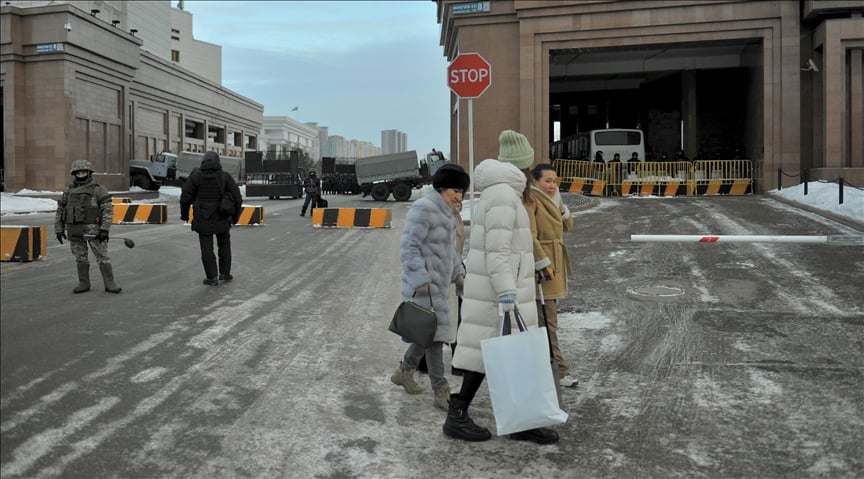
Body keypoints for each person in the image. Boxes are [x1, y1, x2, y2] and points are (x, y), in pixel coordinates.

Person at [445, 130, 559, 444]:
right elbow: (497, 250)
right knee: (493, 355)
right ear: (522, 164)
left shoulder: (507, 193)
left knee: (505, 355)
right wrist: (507, 290)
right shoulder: (504, 196)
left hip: (506, 288)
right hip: (499, 292)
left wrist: (533, 265)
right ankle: (457, 414)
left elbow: (512, 244)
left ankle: (518, 419)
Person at [391, 164, 470, 411]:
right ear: (441, 187)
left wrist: (458, 273)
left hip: (439, 286)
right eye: (454, 190)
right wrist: (420, 277)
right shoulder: (424, 209)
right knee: (436, 338)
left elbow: (447, 250)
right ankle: (441, 390)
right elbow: (408, 246)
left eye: (461, 191)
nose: (458, 196)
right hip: (425, 287)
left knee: (428, 336)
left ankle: (405, 370)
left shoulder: (446, 212)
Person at [526, 163, 577, 387]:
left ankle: (550, 367)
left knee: (547, 319)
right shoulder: (531, 200)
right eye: (547, 181)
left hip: (554, 263)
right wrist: (541, 262)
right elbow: (530, 234)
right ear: (535, 181)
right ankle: (558, 369)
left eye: (555, 181)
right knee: (548, 320)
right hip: (544, 268)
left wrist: (563, 208)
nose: (552, 185)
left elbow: (568, 226)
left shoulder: (554, 199)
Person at [54, 159, 122, 294]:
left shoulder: (98, 190)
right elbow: (61, 210)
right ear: (74, 174)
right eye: (78, 173)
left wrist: (104, 229)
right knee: (80, 257)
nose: (81, 175)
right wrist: (59, 229)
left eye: (83, 172)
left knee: (102, 256)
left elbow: (107, 210)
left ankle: (110, 284)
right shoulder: (68, 191)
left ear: (89, 173)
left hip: (94, 231)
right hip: (74, 230)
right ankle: (84, 283)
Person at [180, 151, 243, 286]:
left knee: (206, 248)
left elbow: (185, 197)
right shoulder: (225, 177)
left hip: (203, 218)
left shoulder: (196, 176)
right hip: (222, 216)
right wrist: (235, 218)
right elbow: (238, 198)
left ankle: (212, 277)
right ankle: (225, 274)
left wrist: (184, 215)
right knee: (224, 244)